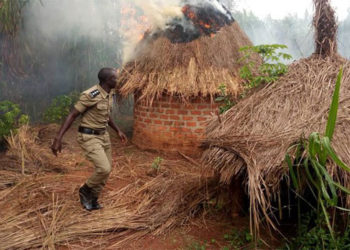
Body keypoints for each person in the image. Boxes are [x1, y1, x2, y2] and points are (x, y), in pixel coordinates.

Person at [51, 67, 127, 211]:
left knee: (107, 170)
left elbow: (105, 114)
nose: (118, 80)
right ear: (107, 80)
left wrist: (117, 130)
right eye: (115, 78)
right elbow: (72, 115)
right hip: (89, 136)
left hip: (104, 136)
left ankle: (93, 199)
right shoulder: (90, 95)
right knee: (103, 168)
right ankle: (85, 189)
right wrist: (58, 138)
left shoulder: (110, 93)